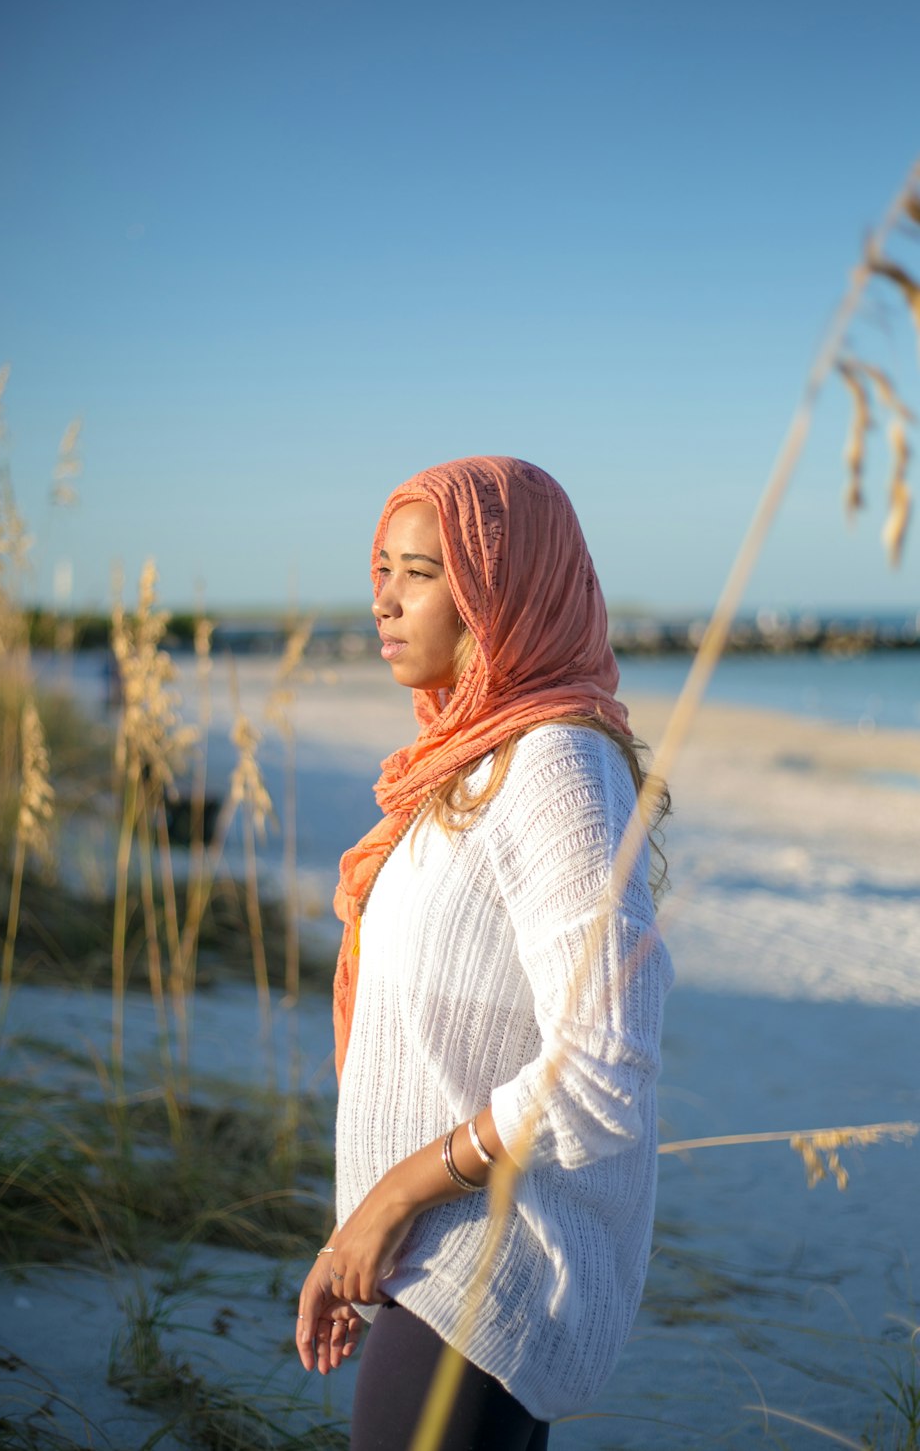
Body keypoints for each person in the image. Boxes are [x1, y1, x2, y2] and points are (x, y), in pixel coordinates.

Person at [296, 456, 673, 1450]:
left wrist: (395, 1193)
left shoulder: (556, 764)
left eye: (419, 573)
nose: (382, 598)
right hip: (431, 1260)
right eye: (380, 567)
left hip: (496, 1266)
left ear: (500, 592)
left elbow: (601, 1065)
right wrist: (359, 1232)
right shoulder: (466, 767)